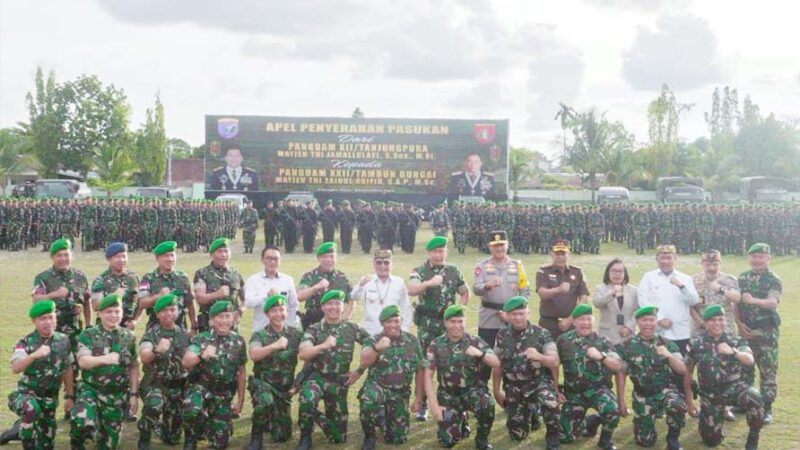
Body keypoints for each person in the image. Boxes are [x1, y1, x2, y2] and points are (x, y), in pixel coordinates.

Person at [295, 290, 373, 450]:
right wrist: (323, 345)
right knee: (307, 398)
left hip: (339, 381)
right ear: (323, 307)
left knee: (337, 439)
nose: (334, 307)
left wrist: (359, 370)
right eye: (329, 304)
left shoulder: (352, 327)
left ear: (343, 306)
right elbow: (303, 354)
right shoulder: (314, 329)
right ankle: (305, 437)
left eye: (337, 303)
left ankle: (315, 415)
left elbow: (372, 346)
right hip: (317, 377)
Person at [407, 236, 470, 421]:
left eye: (441, 251)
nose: (438, 254)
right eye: (434, 251)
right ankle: (422, 405)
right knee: (424, 365)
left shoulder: (453, 270)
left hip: (448, 327)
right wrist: (428, 283)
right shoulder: (419, 271)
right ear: (428, 253)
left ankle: (455, 402)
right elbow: (411, 289)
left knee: (452, 363)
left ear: (446, 252)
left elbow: (464, 291)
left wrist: (460, 312)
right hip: (427, 327)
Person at [684, 305, 764, 449]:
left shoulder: (735, 340)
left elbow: (750, 360)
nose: (717, 323)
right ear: (706, 323)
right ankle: (711, 423)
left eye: (720, 319)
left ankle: (753, 437)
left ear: (725, 321)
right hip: (710, 395)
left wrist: (733, 352)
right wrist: (689, 402)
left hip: (733, 389)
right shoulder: (696, 343)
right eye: (713, 320)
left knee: (755, 398)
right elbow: (687, 372)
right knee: (711, 441)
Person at [0, 301, 74, 449]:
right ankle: (26, 438)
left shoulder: (64, 340)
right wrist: (34, 355)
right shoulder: (25, 342)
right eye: (42, 319)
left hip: (49, 400)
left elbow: (67, 368)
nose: (48, 322)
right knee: (31, 410)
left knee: (46, 445)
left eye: (51, 317)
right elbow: (15, 367)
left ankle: (17, 430)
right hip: (26, 394)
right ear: (34, 321)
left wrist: (69, 395)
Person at [423, 304, 499, 450]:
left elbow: (496, 362)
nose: (457, 326)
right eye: (452, 322)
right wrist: (434, 406)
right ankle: (461, 420)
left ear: (465, 322)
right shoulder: (436, 344)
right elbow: (428, 375)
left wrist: (480, 354)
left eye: (460, 321)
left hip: (473, 391)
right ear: (445, 323)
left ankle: (482, 439)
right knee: (448, 441)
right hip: (448, 395)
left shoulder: (474, 340)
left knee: (487, 404)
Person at [70, 294, 139, 450]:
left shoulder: (129, 337)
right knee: (82, 420)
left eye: (117, 311)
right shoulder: (88, 335)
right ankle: (77, 438)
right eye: (109, 312)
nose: (114, 316)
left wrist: (134, 394)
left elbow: (134, 366)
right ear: (99, 314)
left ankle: (101, 428)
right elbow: (82, 361)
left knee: (110, 445)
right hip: (91, 390)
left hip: (116, 395)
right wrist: (104, 358)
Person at [492, 296, 560, 449]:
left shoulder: (542, 333)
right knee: (517, 435)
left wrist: (539, 356)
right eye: (513, 314)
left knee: (550, 402)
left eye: (521, 313)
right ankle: (532, 412)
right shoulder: (502, 335)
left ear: (528, 312)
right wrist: (496, 391)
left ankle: (553, 435)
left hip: (537, 383)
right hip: (514, 386)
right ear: (508, 315)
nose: (517, 317)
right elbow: (497, 365)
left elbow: (554, 362)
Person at [616, 306, 687, 450]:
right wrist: (621, 401)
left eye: (652, 320)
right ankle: (646, 424)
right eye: (644, 320)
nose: (648, 324)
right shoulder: (626, 346)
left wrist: (668, 355)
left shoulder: (667, 343)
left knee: (678, 405)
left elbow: (682, 369)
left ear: (656, 322)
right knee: (645, 441)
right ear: (637, 322)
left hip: (664, 391)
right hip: (643, 395)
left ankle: (672, 439)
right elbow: (621, 374)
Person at [357, 305, 426, 449]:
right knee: (369, 400)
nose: (393, 325)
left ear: (401, 321)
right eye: (389, 322)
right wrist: (377, 348)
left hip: (400, 392)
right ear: (382, 323)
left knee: (397, 439)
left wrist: (418, 398)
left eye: (396, 321)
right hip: (378, 386)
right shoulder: (374, 339)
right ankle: (369, 436)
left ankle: (382, 417)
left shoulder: (412, 341)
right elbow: (364, 361)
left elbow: (420, 370)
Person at [182, 301, 247, 449]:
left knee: (220, 444)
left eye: (228, 316)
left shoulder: (239, 341)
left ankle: (213, 422)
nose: (224, 321)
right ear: (212, 320)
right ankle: (191, 437)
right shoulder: (201, 338)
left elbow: (241, 373)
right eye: (220, 317)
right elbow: (186, 362)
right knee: (192, 410)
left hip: (223, 393)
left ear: (233, 318)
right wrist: (201, 356)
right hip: (201, 387)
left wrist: (240, 400)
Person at [557, 304, 621, 450]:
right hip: (574, 394)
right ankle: (591, 421)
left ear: (593, 320)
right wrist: (556, 390)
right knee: (565, 437)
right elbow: (554, 366)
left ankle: (605, 440)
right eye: (581, 319)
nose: (585, 323)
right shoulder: (563, 341)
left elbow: (617, 366)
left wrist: (602, 357)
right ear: (573, 322)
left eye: (588, 319)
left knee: (612, 410)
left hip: (599, 391)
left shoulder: (603, 341)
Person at [472, 230, 531, 380]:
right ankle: (481, 388)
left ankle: (512, 389)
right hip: (489, 317)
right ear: (489, 247)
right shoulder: (482, 266)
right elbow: (476, 289)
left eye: (502, 245)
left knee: (511, 355)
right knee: (485, 354)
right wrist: (487, 285)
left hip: (512, 318)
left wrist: (515, 312)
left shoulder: (517, 266)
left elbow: (525, 291)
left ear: (507, 245)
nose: (499, 249)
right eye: (495, 245)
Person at [247, 294, 303, 449]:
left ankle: (270, 419)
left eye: (281, 309)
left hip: (284, 389)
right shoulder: (260, 335)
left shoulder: (296, 334)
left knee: (282, 437)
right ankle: (256, 437)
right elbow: (254, 354)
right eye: (274, 311)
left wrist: (298, 383)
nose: (278, 314)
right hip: (263, 384)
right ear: (267, 314)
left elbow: (308, 355)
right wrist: (274, 346)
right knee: (265, 401)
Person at [137, 294, 190, 449]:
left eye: (172, 309)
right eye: (164, 311)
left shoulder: (184, 334)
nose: (168, 314)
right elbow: (145, 356)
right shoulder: (151, 334)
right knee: (154, 404)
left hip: (177, 387)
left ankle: (162, 427)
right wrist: (156, 350)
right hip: (156, 385)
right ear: (157, 314)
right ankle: (144, 437)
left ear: (178, 312)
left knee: (172, 439)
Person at [737, 243, 781, 423]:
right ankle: (745, 403)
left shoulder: (773, 279)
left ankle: (767, 407)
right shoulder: (743, 278)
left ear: (768, 258)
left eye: (761, 257)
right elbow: (737, 304)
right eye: (754, 257)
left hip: (766, 333)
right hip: (746, 331)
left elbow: (773, 302)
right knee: (744, 369)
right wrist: (739, 324)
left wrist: (753, 300)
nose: (757, 260)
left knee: (767, 371)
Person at [636, 245, 699, 355]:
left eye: (669, 258)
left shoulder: (685, 278)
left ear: (675, 259)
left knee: (681, 367)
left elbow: (694, 300)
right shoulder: (648, 277)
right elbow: (643, 300)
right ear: (657, 259)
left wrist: (681, 286)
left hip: (680, 332)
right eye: (662, 258)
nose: (665, 261)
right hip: (657, 332)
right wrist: (659, 319)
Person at [135, 241, 196, 332]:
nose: (170, 259)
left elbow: (190, 304)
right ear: (157, 258)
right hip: (155, 331)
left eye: (172, 255)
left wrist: (194, 327)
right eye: (166, 256)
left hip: (180, 331)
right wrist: (158, 296)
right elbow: (141, 303)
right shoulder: (147, 279)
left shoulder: (183, 278)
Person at [535, 240, 590, 340]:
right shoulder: (543, 272)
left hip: (571, 322)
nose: (560, 257)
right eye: (557, 254)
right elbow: (542, 293)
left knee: (570, 353)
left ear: (569, 254)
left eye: (563, 253)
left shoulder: (577, 272)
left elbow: (584, 298)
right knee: (548, 351)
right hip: (548, 322)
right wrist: (558, 290)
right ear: (551, 254)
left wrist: (570, 319)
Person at [350, 249, 412, 336]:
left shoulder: (399, 282)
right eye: (379, 263)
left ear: (392, 265)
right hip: (371, 331)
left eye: (386, 263)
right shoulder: (367, 280)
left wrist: (404, 329)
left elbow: (405, 308)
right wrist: (360, 285)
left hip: (393, 331)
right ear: (373, 265)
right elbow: (354, 297)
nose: (382, 266)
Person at [297, 242, 353, 330]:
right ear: (318, 258)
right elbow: (300, 296)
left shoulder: (343, 277)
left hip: (336, 322)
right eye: (325, 257)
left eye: (331, 256)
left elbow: (352, 299)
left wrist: (345, 316)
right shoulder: (309, 276)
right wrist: (316, 287)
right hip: (314, 322)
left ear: (336, 258)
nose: (328, 260)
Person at [193, 238, 245, 332]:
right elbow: (200, 298)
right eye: (219, 251)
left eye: (226, 251)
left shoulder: (236, 274)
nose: (223, 255)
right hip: (209, 326)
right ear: (211, 255)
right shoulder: (202, 273)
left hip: (232, 327)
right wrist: (217, 294)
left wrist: (238, 312)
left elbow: (246, 299)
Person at [244, 246, 299, 332]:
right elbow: (248, 302)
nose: (272, 262)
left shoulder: (288, 280)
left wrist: (292, 326)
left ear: (280, 261)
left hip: (284, 331)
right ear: (262, 260)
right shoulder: (253, 280)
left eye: (276, 259)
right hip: (261, 331)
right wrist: (266, 297)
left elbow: (293, 305)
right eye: (269, 258)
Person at [690, 249, 740, 337]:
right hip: (700, 330)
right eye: (708, 265)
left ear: (720, 264)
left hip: (725, 329)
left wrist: (721, 290)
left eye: (715, 264)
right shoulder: (693, 281)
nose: (711, 268)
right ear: (702, 264)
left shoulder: (729, 279)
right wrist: (702, 324)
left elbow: (737, 298)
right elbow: (689, 306)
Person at [591, 258, 638, 346]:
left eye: (620, 271)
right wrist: (611, 293)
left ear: (625, 274)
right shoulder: (600, 289)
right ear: (608, 273)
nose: (617, 274)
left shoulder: (633, 290)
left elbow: (637, 312)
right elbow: (597, 303)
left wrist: (629, 327)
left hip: (627, 336)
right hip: (607, 336)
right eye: (613, 271)